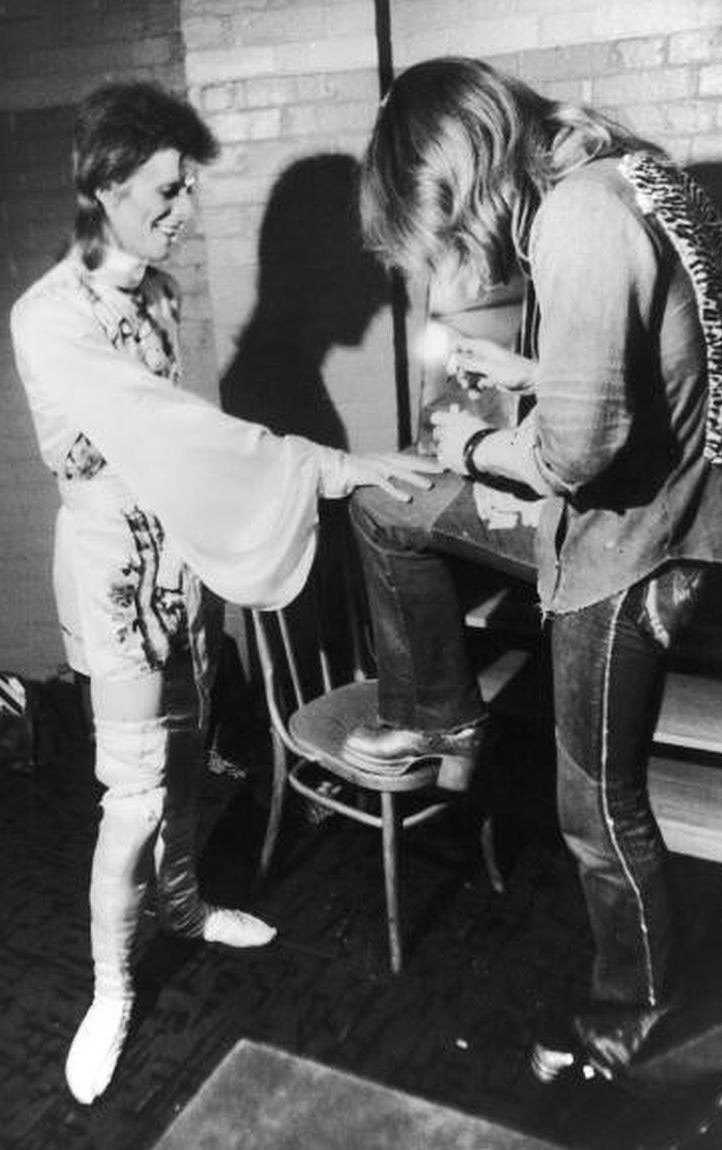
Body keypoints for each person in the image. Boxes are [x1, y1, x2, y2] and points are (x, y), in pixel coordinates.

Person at [10, 81, 437, 1106]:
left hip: (178, 570)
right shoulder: (48, 317)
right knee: (135, 798)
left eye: (191, 189)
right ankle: (112, 988)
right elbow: (179, 436)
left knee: (191, 759)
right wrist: (334, 466)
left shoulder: (152, 295)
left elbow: (181, 450)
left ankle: (188, 905)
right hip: (117, 585)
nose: (184, 212)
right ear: (105, 185)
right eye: (166, 190)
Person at [342, 56, 722, 1080]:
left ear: (466, 173)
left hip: (635, 543)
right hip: (660, 511)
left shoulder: (575, 217)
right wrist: (520, 373)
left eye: (452, 232)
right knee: (386, 505)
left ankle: (628, 1013)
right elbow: (647, 357)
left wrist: (469, 446)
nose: (464, 260)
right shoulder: (624, 172)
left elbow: (575, 454)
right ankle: (444, 717)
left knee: (594, 807)